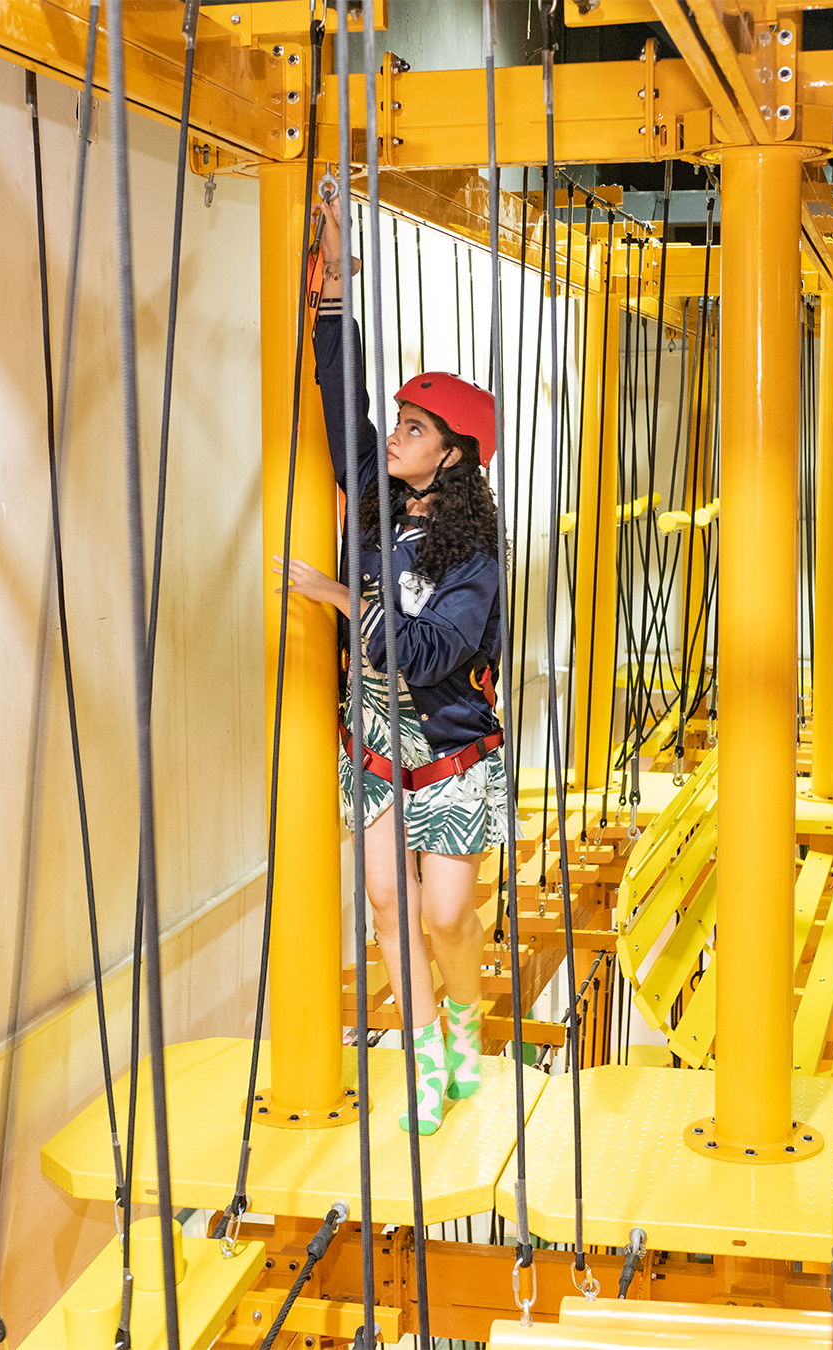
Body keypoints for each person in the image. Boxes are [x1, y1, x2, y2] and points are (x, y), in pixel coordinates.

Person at [273, 196, 515, 1136]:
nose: (400, 434)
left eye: (418, 427)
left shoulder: (475, 557)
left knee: (446, 915)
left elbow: (427, 652)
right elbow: (348, 405)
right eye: (405, 421)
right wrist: (337, 284)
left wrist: (341, 598)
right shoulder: (378, 498)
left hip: (449, 748)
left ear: (452, 456)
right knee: (386, 903)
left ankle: (465, 1021)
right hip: (375, 738)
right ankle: (425, 1060)